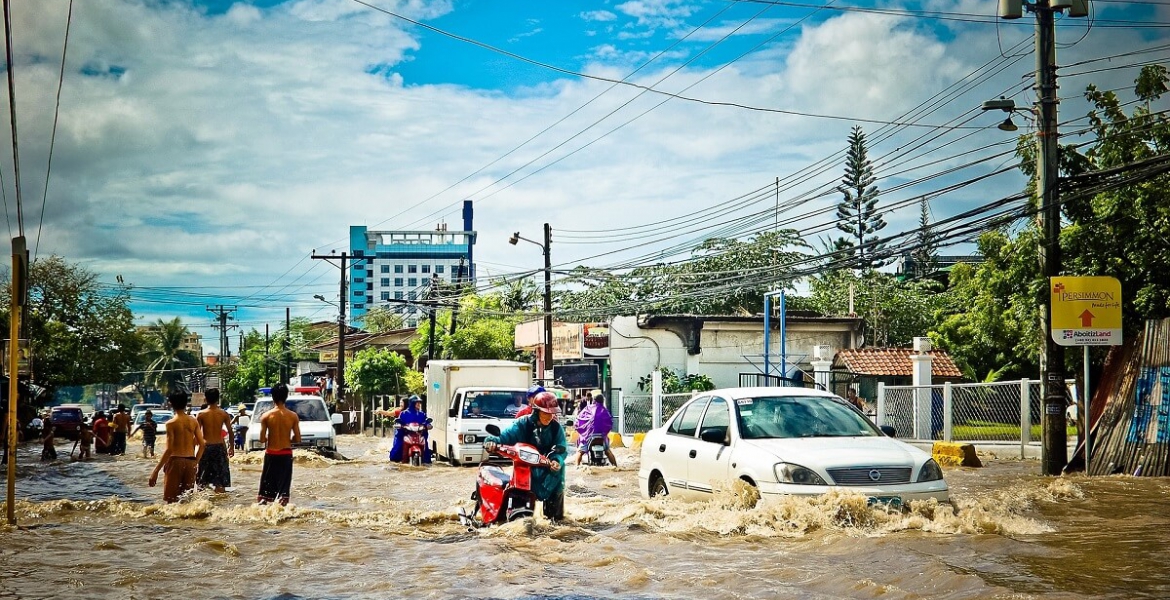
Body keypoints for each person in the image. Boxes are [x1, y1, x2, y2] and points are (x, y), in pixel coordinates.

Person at [483, 391, 567, 521]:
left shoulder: (556, 428)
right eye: (545, 413)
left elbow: (561, 449)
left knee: (556, 521)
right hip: (526, 469)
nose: (549, 417)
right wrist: (492, 441)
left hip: (551, 472)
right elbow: (505, 436)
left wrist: (557, 461)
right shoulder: (522, 424)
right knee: (520, 524)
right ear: (536, 411)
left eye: (552, 413)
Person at [149, 391, 205, 503]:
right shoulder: (193, 421)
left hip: (175, 462)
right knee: (186, 501)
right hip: (190, 462)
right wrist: (195, 462)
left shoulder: (171, 423)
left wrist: (156, 471)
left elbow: (169, 450)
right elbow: (202, 444)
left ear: (171, 404)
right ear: (186, 403)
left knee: (171, 501)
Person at [257, 383, 301, 506]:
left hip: (271, 454)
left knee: (265, 494)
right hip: (286, 454)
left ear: (273, 397)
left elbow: (261, 439)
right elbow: (297, 439)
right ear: (286, 397)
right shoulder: (293, 416)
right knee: (283, 492)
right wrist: (287, 439)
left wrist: (271, 437)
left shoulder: (266, 416)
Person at [196, 388, 234, 493]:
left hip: (206, 448)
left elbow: (196, 435)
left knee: (202, 481)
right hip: (219, 448)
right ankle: (220, 506)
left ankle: (201, 506)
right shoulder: (223, 414)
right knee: (220, 482)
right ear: (218, 399)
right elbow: (231, 432)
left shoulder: (201, 414)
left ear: (205, 399)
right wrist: (231, 447)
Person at [575, 390, 617, 467]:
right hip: (601, 436)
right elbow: (610, 423)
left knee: (580, 451)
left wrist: (578, 427)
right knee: (608, 451)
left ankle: (576, 467)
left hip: (588, 436)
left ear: (594, 400)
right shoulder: (605, 410)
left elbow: (579, 419)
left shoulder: (588, 408)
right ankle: (616, 466)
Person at [389, 396, 431, 463]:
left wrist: (428, 425)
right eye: (416, 403)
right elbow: (399, 422)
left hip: (419, 435)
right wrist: (399, 426)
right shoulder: (404, 413)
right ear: (412, 403)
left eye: (419, 403)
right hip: (406, 434)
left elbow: (426, 421)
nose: (418, 404)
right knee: (398, 446)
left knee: (426, 446)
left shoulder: (422, 414)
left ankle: (426, 460)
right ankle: (396, 460)